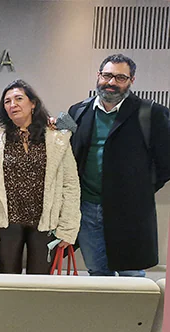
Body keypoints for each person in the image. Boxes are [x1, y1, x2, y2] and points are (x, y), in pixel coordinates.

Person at [68, 54, 170, 276]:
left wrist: (140, 189)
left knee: (131, 276)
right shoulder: (79, 111)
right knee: (97, 274)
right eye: (107, 75)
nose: (112, 83)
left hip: (130, 211)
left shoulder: (151, 113)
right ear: (98, 76)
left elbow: (166, 163)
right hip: (87, 209)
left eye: (120, 77)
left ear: (131, 81)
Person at [0, 79, 81, 274]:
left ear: (33, 103)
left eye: (18, 99)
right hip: (8, 222)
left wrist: (68, 227)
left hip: (44, 222)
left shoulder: (56, 138)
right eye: (7, 101)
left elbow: (70, 184)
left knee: (40, 283)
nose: (12, 105)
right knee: (7, 278)